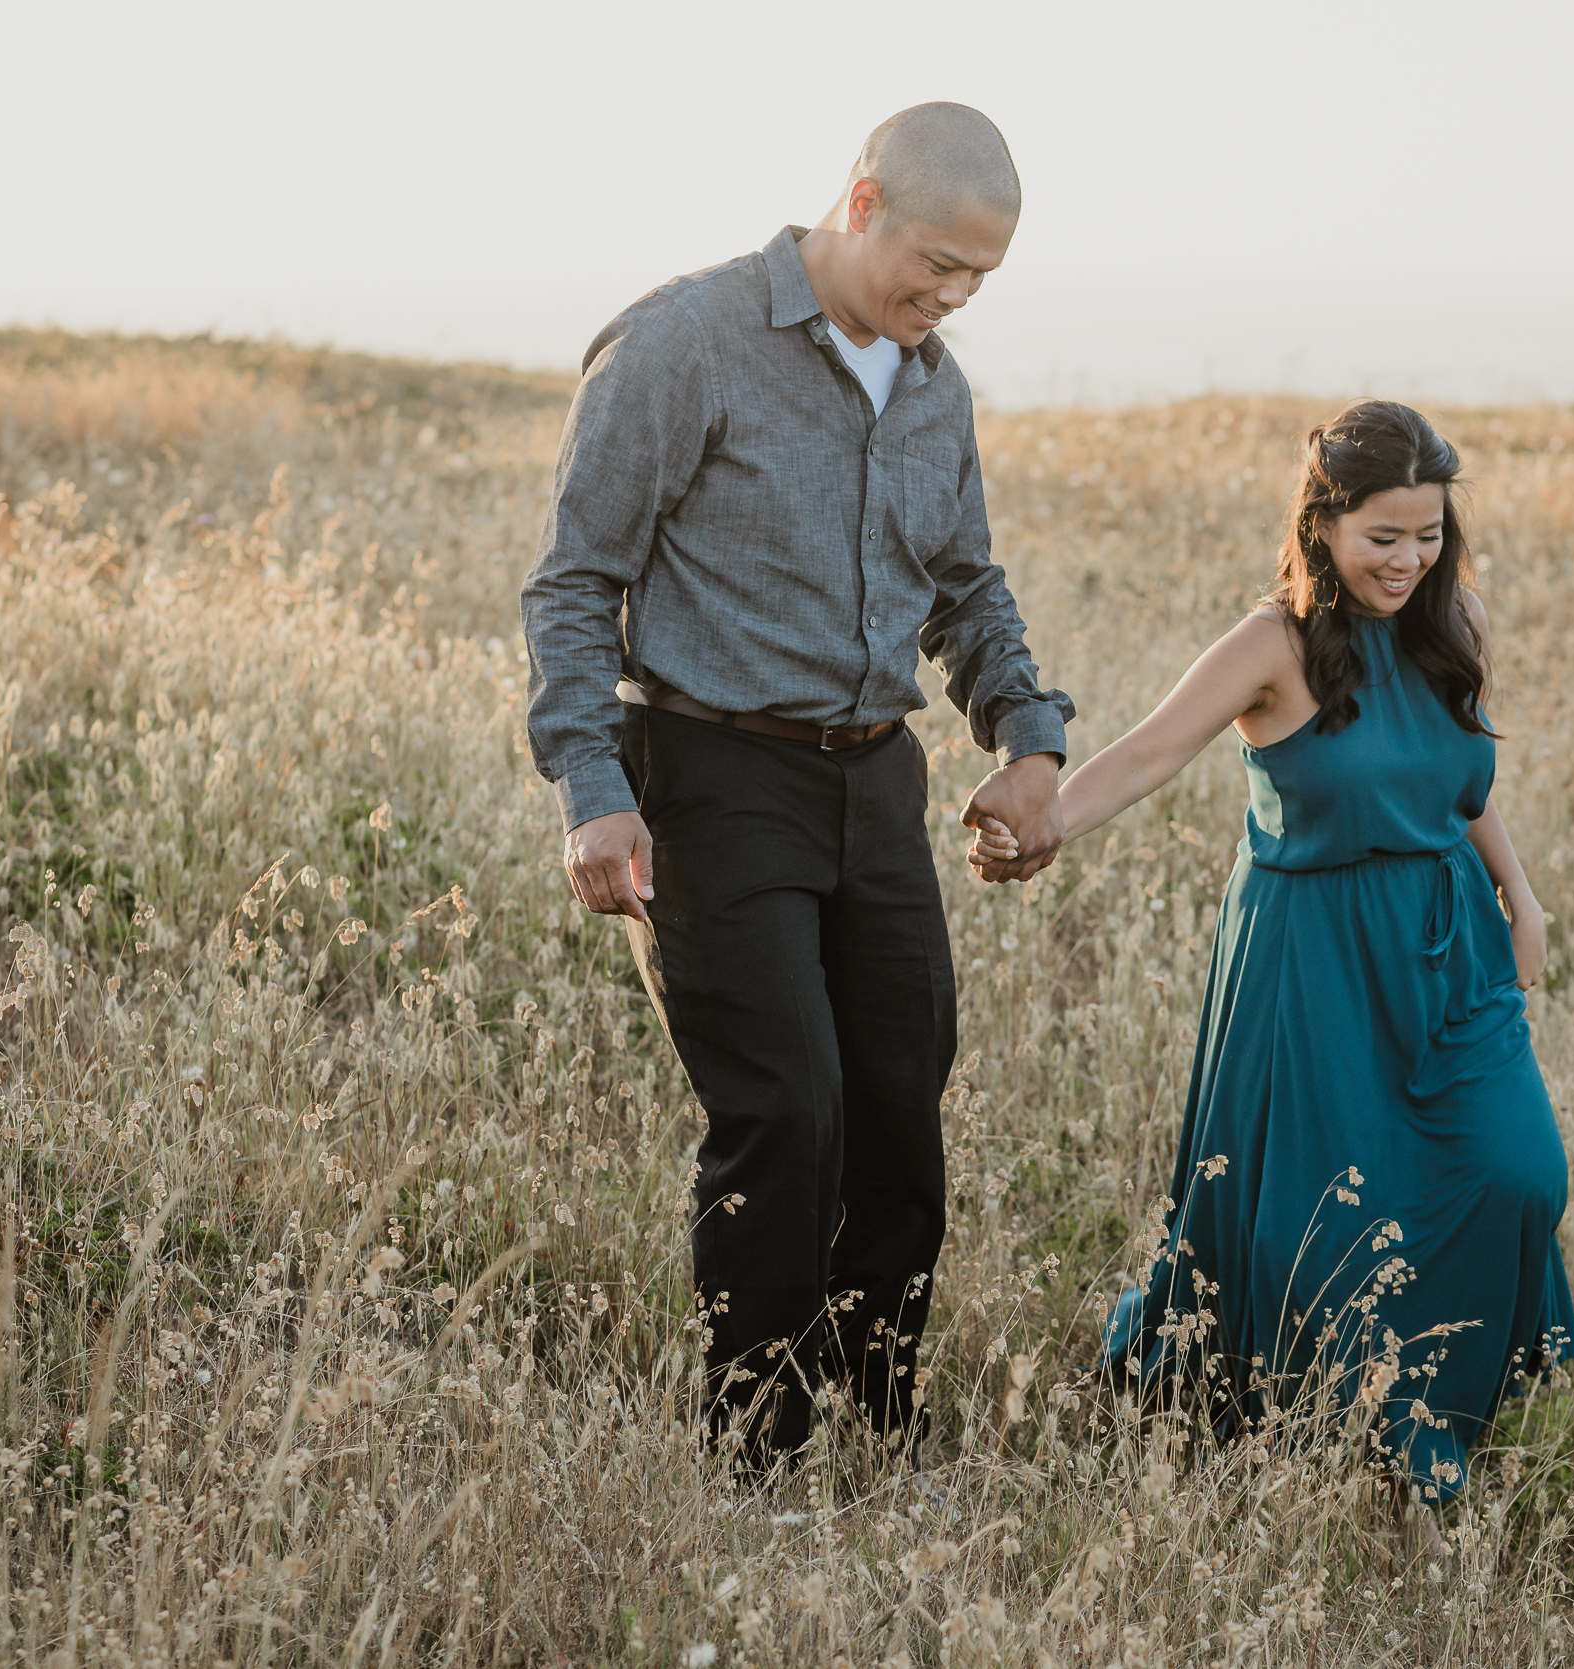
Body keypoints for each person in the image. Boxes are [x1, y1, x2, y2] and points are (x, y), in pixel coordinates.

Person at [520, 103, 1074, 1461]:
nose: (950, 301)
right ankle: (753, 1442)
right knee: (787, 1105)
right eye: (938, 264)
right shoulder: (683, 343)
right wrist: (593, 785)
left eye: (978, 282)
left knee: (900, 1095)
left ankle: (878, 1416)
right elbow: (575, 579)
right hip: (711, 773)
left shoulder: (935, 387)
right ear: (864, 201)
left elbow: (966, 589)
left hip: (874, 778)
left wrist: (1031, 738)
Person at [973, 400, 1574, 1515]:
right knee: (1316, 1213)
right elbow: (1151, 749)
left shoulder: (1460, 626)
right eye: (1382, 536)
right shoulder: (1274, 645)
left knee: (1521, 1172)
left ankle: (1441, 1392)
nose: (1409, 559)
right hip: (1311, 954)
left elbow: (1464, 781)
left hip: (1446, 943)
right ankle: (1339, 1424)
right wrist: (1045, 819)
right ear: (1324, 522)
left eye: (1428, 534)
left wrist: (1520, 891)